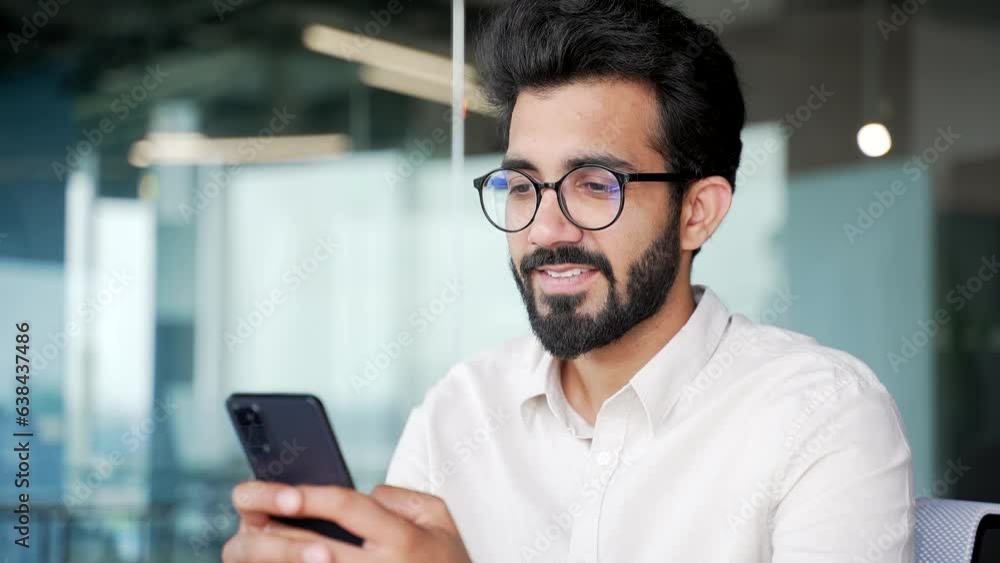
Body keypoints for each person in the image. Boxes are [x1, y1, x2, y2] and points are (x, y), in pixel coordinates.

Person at [222, 1, 915, 561]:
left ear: (697, 212)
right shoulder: (459, 412)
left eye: (594, 184)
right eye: (522, 185)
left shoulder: (821, 417)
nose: (547, 228)